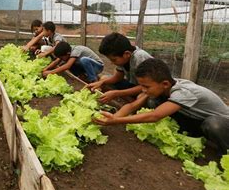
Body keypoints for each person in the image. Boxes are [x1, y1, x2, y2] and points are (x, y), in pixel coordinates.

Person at [93, 58, 229, 155]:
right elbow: (132, 105)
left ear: (164, 84)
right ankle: (196, 136)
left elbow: (154, 116)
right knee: (153, 102)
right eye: (142, 86)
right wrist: (111, 118)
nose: (143, 90)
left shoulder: (183, 92)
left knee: (213, 125)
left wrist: (116, 121)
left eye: (146, 87)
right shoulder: (161, 87)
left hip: (223, 123)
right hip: (198, 119)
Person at [87, 32, 152, 103]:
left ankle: (132, 106)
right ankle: (129, 101)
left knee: (144, 99)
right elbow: (118, 77)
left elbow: (147, 86)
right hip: (135, 85)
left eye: (114, 60)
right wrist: (101, 82)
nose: (112, 63)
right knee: (104, 78)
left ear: (126, 54)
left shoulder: (139, 57)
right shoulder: (124, 59)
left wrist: (116, 93)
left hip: (149, 88)